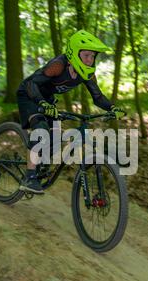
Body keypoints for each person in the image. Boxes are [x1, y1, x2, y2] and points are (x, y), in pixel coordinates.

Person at [16, 30, 126, 194]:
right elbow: (32, 84)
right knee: (40, 130)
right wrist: (42, 103)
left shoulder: (86, 73)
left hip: (48, 99)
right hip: (29, 94)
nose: (90, 60)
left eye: (92, 56)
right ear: (74, 53)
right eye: (86, 55)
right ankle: (29, 177)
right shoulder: (58, 65)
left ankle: (40, 166)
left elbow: (97, 96)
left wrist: (112, 108)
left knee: (55, 138)